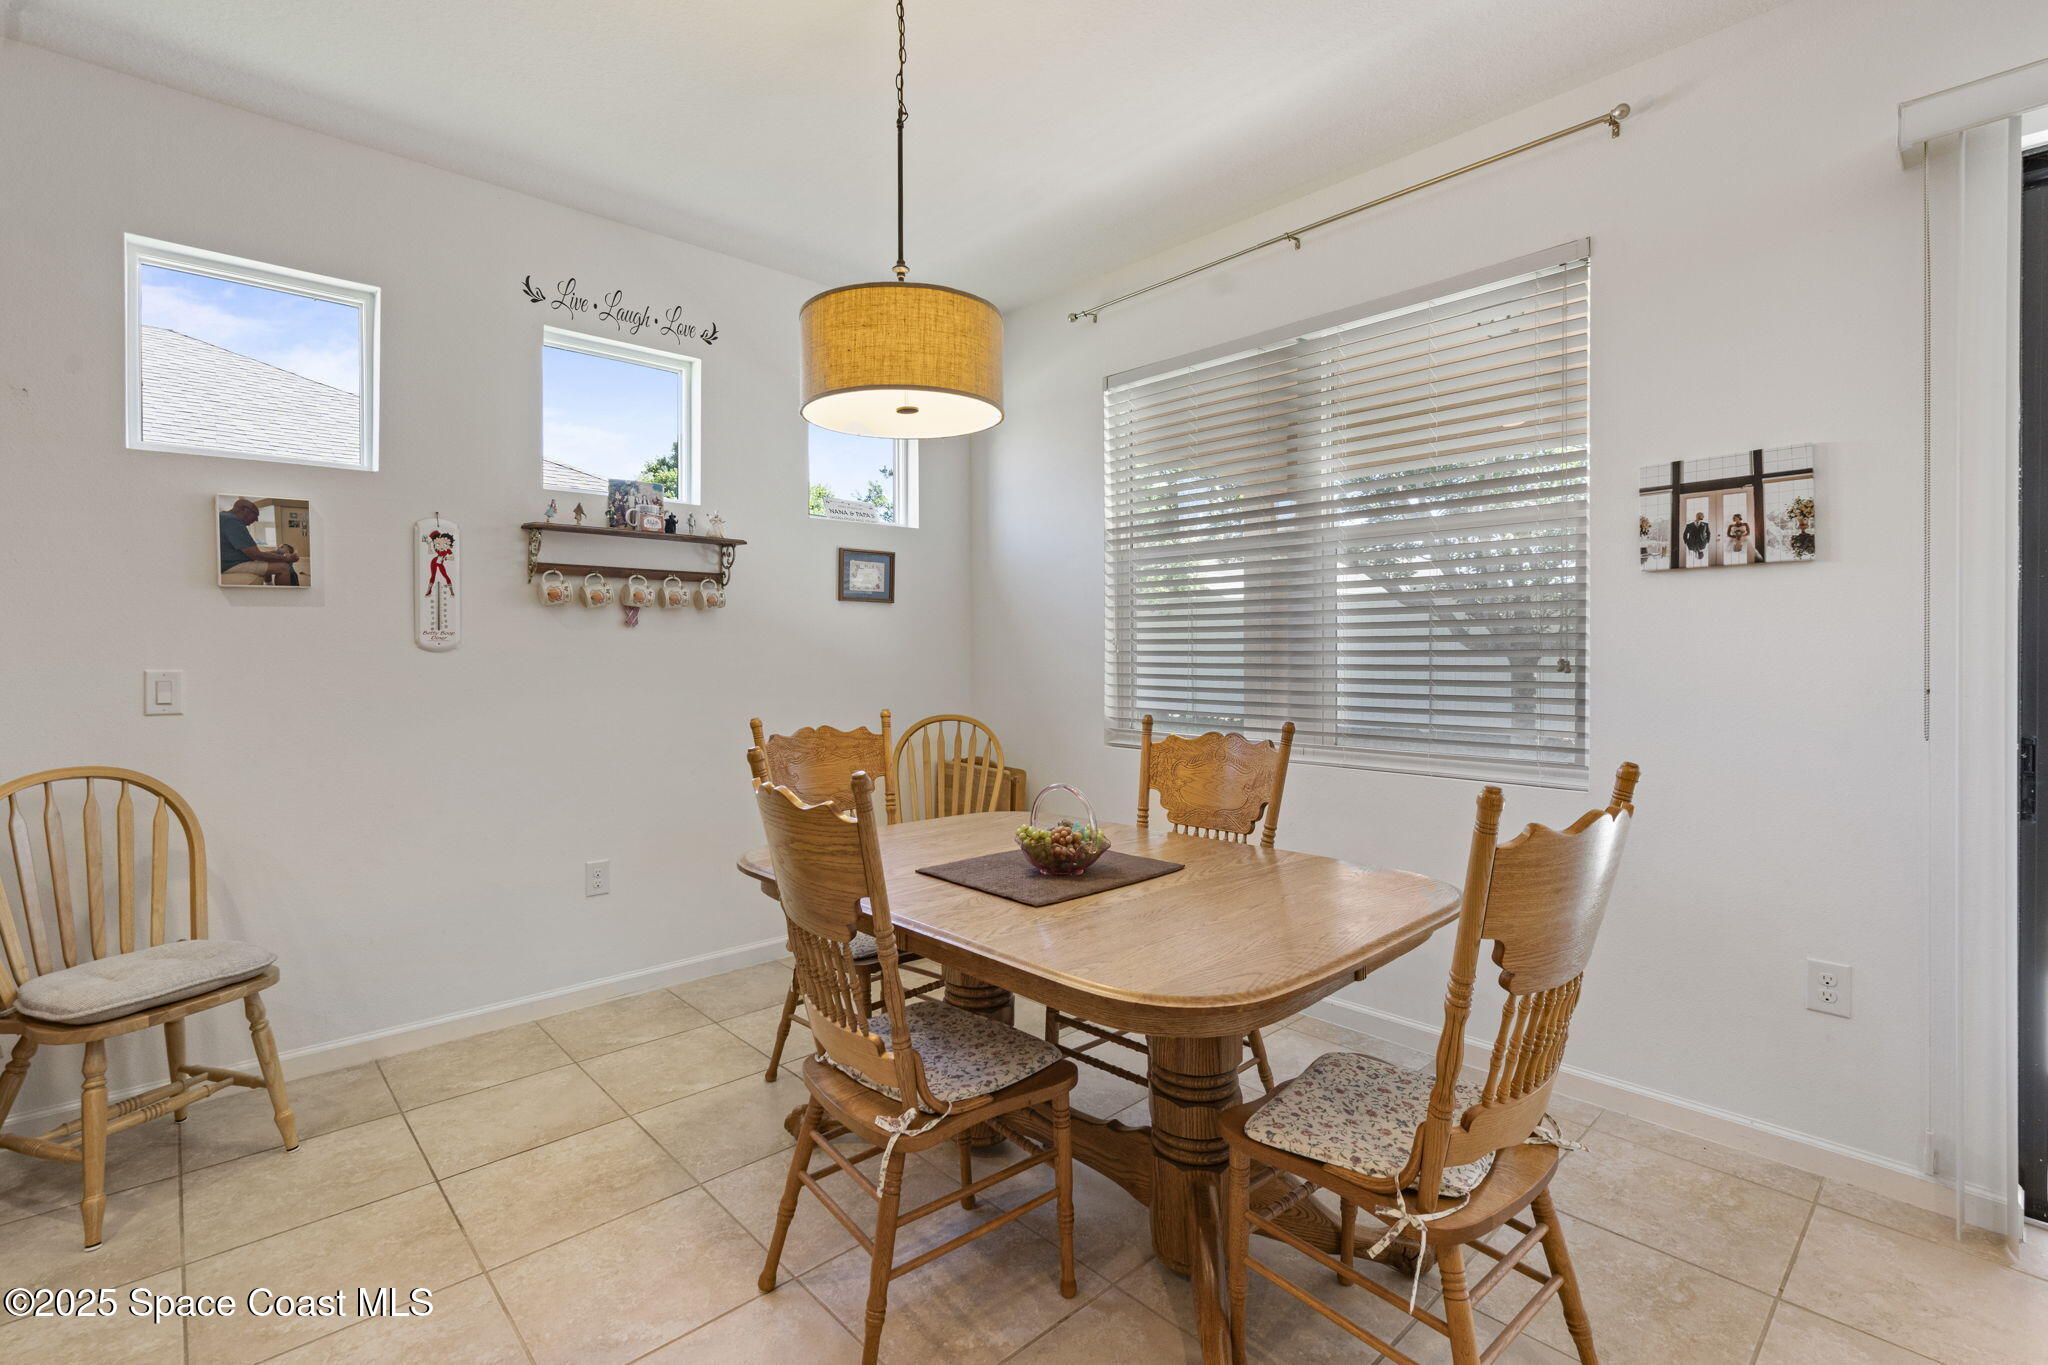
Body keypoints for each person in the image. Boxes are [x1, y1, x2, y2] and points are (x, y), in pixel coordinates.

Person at [219, 498, 299, 585]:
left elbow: (252, 552)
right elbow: (256, 554)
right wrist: (286, 558)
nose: (257, 519)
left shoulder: (224, 517)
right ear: (244, 509)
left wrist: (271, 554)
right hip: (231, 565)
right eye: (256, 514)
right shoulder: (233, 521)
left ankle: (269, 585)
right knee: (284, 567)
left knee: (268, 559)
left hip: (231, 562)